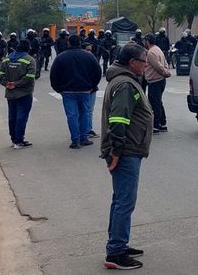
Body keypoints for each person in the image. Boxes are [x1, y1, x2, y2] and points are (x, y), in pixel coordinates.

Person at [99, 44, 152, 270]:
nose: (146, 65)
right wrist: (116, 151)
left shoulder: (125, 81)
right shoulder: (125, 84)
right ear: (132, 63)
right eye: (143, 61)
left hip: (128, 148)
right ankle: (116, 251)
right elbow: (119, 120)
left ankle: (119, 243)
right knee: (125, 201)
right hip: (126, 150)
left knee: (120, 199)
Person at [50, 35, 102, 149]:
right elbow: (98, 72)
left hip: (67, 91)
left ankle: (75, 140)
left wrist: (58, 89)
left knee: (72, 115)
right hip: (85, 90)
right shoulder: (89, 56)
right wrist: (92, 86)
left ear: (68, 43)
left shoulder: (61, 57)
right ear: (80, 42)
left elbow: (53, 75)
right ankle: (84, 138)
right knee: (85, 113)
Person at [0, 40, 37, 149]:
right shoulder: (29, 60)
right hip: (24, 93)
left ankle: (14, 139)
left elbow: (0, 73)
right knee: (22, 117)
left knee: (12, 116)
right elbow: (30, 77)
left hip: (10, 93)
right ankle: (18, 141)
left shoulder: (7, 59)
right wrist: (16, 84)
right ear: (28, 48)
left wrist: (7, 83)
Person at [143, 34, 171, 134]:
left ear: (148, 41)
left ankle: (156, 126)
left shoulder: (151, 52)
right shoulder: (158, 49)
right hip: (160, 80)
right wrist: (166, 71)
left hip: (155, 81)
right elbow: (165, 63)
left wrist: (166, 73)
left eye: (145, 41)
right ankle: (163, 124)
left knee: (155, 104)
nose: (144, 43)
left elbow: (158, 66)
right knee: (158, 102)